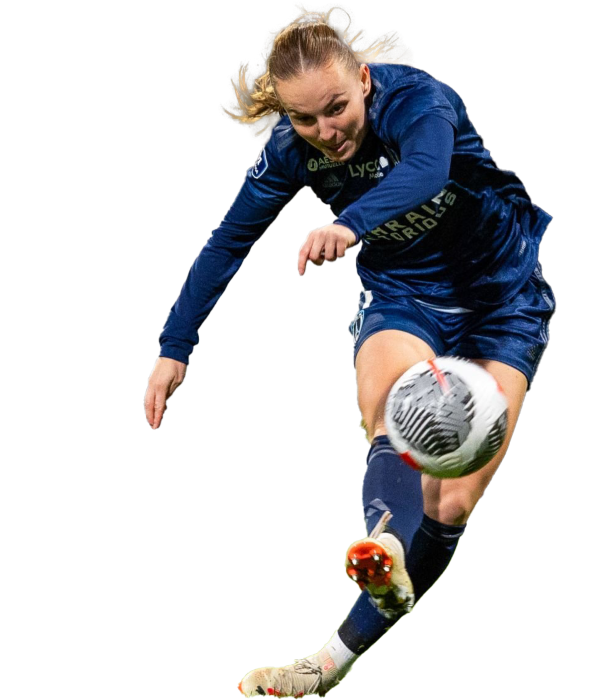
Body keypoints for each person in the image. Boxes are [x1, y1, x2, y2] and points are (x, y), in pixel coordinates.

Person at [144, 4, 555, 697]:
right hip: (405, 292)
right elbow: (228, 240)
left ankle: (333, 661)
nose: (326, 132)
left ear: (364, 79)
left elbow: (426, 170)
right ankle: (385, 544)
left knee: (453, 501)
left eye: (336, 108)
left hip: (501, 297)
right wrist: (174, 345)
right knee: (391, 411)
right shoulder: (292, 147)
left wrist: (351, 224)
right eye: (305, 119)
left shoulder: (421, 101)